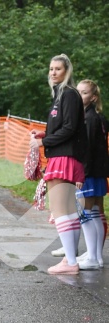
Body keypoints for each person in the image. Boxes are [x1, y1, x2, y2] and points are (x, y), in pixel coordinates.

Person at [30, 54, 87, 275]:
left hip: (65, 157)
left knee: (61, 210)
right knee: (68, 211)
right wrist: (44, 133)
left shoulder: (70, 95)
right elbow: (62, 126)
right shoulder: (60, 95)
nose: (53, 72)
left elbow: (70, 128)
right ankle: (70, 259)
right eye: (51, 68)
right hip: (61, 155)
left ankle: (70, 261)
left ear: (67, 72)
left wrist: (44, 142)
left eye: (58, 69)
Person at [74, 79, 108, 269]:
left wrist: (81, 174)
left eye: (84, 92)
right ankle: (94, 255)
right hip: (98, 171)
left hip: (89, 173)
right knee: (94, 213)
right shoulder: (96, 117)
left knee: (86, 214)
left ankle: (93, 258)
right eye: (77, 91)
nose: (79, 95)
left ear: (93, 97)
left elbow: (87, 150)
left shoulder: (90, 119)